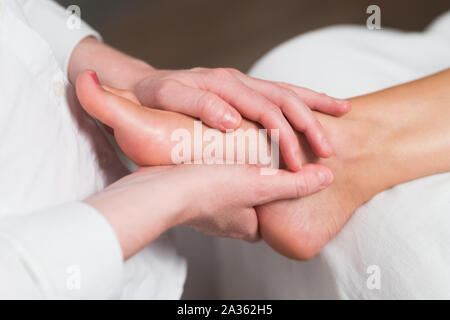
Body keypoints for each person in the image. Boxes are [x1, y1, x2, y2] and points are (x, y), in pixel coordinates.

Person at [0, 0, 345, 299]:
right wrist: (169, 196)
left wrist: (136, 78)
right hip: (91, 255)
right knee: (345, 128)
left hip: (143, 238)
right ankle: (345, 150)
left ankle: (343, 145)